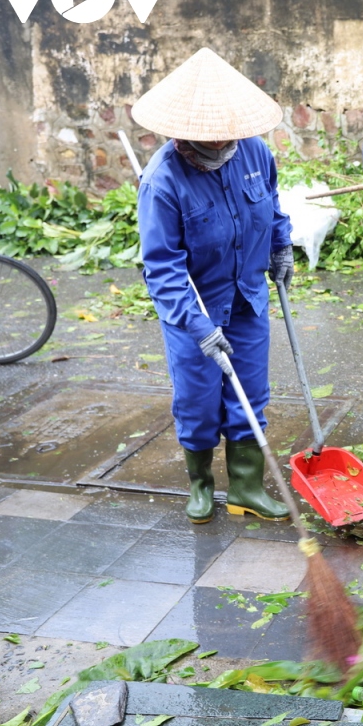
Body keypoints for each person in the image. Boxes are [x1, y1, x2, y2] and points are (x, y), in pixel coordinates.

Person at [134, 48, 294, 525]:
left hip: (246, 298)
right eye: (210, 135)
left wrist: (281, 247)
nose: (222, 140)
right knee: (199, 400)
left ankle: (246, 486)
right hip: (193, 311)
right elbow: (162, 268)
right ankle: (201, 482)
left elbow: (273, 205)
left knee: (250, 393)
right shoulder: (163, 181)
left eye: (229, 130)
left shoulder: (254, 152)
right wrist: (198, 326)